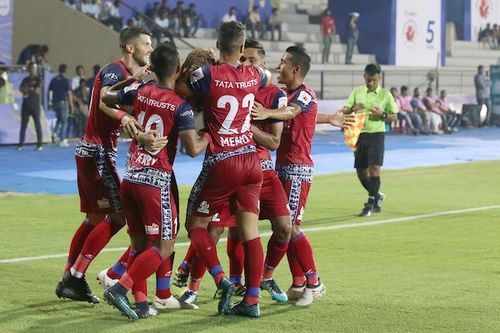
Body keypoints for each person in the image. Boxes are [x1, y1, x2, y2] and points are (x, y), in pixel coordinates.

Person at [101, 42, 210, 320]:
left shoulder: (140, 90)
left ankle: (140, 303)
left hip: (131, 177)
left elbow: (106, 96)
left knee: (139, 246)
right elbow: (193, 149)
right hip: (155, 181)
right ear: (177, 68)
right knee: (163, 246)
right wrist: (209, 133)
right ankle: (120, 288)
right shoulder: (181, 107)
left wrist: (131, 88)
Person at [55, 27, 160, 304]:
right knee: (120, 216)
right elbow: (104, 103)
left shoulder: (126, 77)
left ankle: (70, 277)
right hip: (98, 152)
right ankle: (76, 276)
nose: (149, 49)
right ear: (130, 48)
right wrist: (125, 119)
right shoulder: (114, 72)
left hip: (92, 151)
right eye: (146, 44)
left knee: (94, 218)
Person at [175, 21, 269, 318]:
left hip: (222, 159)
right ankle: (251, 302)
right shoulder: (255, 73)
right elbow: (267, 79)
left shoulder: (208, 74)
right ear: (242, 49)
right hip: (251, 160)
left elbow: (179, 88)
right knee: (250, 233)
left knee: (195, 225)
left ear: (218, 45)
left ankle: (220, 279)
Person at [251, 46, 348, 306]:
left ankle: (314, 283)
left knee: (291, 228)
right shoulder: (286, 95)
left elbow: (295, 112)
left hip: (297, 171)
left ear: (295, 69)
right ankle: (298, 282)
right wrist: (330, 118)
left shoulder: (304, 95)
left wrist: (268, 113)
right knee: (281, 227)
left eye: (282, 62)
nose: (277, 66)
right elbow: (305, 116)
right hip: (280, 169)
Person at [342, 63, 398, 217]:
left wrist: (383, 115)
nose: (371, 83)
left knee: (374, 168)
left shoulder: (385, 95)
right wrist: (353, 108)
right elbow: (345, 110)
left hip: (376, 134)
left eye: (374, 80)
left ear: (379, 77)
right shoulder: (357, 92)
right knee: (361, 172)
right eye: (368, 80)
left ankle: (370, 202)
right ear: (364, 77)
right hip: (359, 134)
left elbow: (394, 115)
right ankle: (377, 195)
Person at [17, 61, 43, 151]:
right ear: (29, 69)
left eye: (34, 68)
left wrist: (27, 90)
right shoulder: (25, 79)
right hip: (26, 105)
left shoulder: (38, 79)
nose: (32, 70)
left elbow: (37, 91)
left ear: (36, 69)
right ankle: (21, 144)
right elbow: (21, 89)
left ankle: (39, 144)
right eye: (31, 68)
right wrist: (31, 89)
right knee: (23, 125)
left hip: (35, 105)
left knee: (37, 125)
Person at [48, 64, 73, 147]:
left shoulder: (54, 80)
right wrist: (71, 105)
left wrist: (50, 102)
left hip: (55, 103)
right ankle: (62, 139)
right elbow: (69, 94)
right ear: (65, 71)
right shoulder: (66, 80)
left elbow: (49, 92)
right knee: (64, 121)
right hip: (63, 103)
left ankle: (54, 133)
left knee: (59, 119)